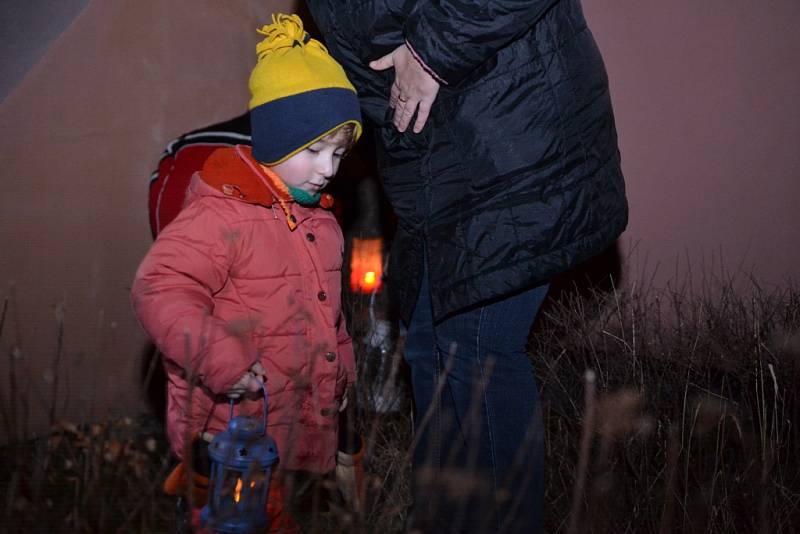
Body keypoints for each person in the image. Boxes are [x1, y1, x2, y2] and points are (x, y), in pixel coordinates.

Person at [305, 1, 629, 532]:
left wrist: (431, 54)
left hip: (513, 142)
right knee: (428, 345)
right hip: (435, 164)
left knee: (478, 351)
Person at [131, 13, 363, 532]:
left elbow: (330, 315)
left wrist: (340, 376)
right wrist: (221, 358)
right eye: (315, 151)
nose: (329, 168)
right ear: (277, 140)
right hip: (227, 431)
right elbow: (159, 289)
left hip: (293, 427)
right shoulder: (221, 214)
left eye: (339, 153)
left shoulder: (321, 222)